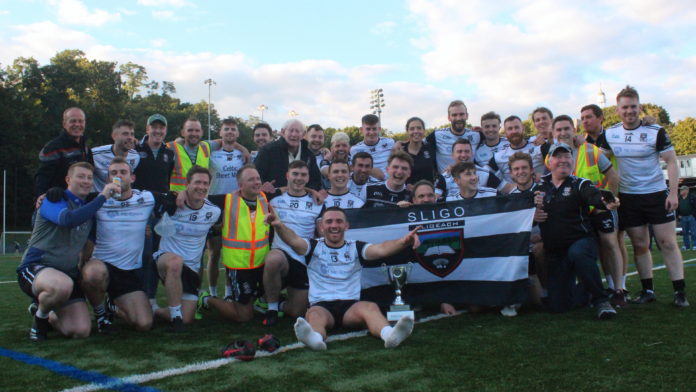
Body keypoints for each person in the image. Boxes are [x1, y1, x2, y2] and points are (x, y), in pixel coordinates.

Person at [265, 206, 419, 351]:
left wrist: (403, 241)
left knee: (370, 307)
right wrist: (278, 226)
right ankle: (316, 339)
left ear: (346, 226)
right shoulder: (313, 246)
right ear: (321, 227)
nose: (334, 225)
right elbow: (293, 239)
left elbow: (382, 249)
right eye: (329, 221)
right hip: (322, 305)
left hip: (350, 307)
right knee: (313, 315)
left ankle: (389, 335)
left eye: (339, 221)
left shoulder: (356, 247)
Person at [595, 85, 688, 307]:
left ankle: (680, 292)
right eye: (625, 107)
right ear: (616, 110)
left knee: (667, 243)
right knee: (639, 245)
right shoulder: (610, 134)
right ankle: (648, 291)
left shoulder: (656, 131)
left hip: (657, 195)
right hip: (629, 198)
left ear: (640, 107)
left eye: (633, 106)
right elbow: (600, 161)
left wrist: (673, 192)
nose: (629, 111)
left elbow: (672, 162)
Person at [17, 162, 119, 341]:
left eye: (89, 178)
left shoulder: (89, 207)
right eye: (80, 176)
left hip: (67, 276)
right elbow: (68, 219)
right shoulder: (53, 199)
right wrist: (103, 197)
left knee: (80, 331)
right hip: (37, 267)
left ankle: (48, 313)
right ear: (67, 179)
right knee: (61, 285)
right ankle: (40, 320)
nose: (86, 181)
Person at [81, 158, 176, 333]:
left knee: (144, 324)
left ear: (132, 178)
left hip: (128, 272)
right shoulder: (97, 199)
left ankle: (112, 306)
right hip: (102, 264)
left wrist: (178, 195)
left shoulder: (147, 198)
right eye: (114, 173)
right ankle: (100, 315)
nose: (119, 176)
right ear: (108, 179)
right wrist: (47, 194)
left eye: (123, 172)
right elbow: (70, 197)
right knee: (93, 274)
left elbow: (172, 196)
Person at [534, 143, 618, 319]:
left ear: (572, 161)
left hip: (582, 243)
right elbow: (521, 211)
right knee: (559, 307)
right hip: (556, 253)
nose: (563, 161)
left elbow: (594, 196)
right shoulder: (539, 187)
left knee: (578, 253)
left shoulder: (580, 184)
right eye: (558, 157)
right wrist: (532, 214)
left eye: (567, 157)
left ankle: (602, 300)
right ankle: (584, 291)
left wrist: (606, 202)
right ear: (549, 162)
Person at [550, 115, 626, 307]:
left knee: (610, 243)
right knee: (587, 250)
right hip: (576, 215)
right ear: (553, 133)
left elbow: (613, 177)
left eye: (566, 128)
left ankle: (618, 290)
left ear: (574, 130)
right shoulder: (551, 155)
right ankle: (589, 291)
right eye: (558, 130)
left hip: (598, 208)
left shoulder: (590, 150)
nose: (563, 133)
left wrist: (609, 204)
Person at [196, 165, 274, 322]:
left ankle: (254, 300)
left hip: (261, 263)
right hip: (240, 266)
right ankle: (205, 299)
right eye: (251, 179)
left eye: (258, 178)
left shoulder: (263, 199)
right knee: (244, 317)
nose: (257, 182)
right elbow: (198, 198)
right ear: (240, 185)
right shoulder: (227, 200)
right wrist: (181, 193)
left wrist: (314, 192)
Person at [152, 166, 221, 332]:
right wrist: (176, 194)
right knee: (176, 262)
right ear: (187, 184)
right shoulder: (172, 203)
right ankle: (176, 318)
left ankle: (154, 310)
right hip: (166, 260)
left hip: (190, 269)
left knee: (188, 318)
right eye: (197, 182)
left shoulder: (214, 211)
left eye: (205, 183)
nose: (201, 187)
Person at [260, 161, 326, 326]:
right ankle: (272, 309)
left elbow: (321, 233)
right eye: (295, 174)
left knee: (297, 312)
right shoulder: (273, 200)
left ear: (308, 177)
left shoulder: (317, 203)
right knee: (273, 259)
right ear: (288, 176)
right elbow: (245, 194)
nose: (299, 178)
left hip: (303, 258)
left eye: (303, 175)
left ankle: (272, 301)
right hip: (281, 252)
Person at [580, 104, 630, 298]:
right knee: (602, 243)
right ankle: (610, 285)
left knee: (617, 241)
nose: (585, 121)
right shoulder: (581, 142)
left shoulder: (612, 137)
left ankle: (622, 287)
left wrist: (612, 199)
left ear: (600, 118)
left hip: (614, 197)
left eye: (589, 117)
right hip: (593, 201)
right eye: (582, 118)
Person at [132, 114, 176, 312]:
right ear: (147, 128)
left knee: (155, 256)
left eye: (162, 127)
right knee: (140, 256)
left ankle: (150, 297)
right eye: (154, 127)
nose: (158, 131)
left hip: (160, 211)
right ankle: (136, 297)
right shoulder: (135, 149)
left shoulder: (169, 153)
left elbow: (165, 181)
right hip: (139, 211)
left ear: (166, 130)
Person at [206, 118, 245, 300]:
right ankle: (213, 293)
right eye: (226, 129)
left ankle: (229, 293)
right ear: (220, 133)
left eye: (233, 129)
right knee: (214, 252)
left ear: (237, 134)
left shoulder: (243, 155)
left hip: (234, 203)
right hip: (214, 202)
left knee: (231, 251)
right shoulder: (211, 154)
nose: (230, 132)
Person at [35, 107, 94, 203]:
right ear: (64, 124)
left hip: (80, 201)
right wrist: (40, 195)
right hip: (57, 201)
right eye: (73, 121)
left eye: (80, 121)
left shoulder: (86, 149)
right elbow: (43, 176)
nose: (77, 124)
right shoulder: (54, 147)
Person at [508, 152, 544, 308]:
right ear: (511, 173)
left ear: (532, 171)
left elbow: (556, 220)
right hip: (520, 249)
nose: (520, 172)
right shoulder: (509, 198)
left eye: (524, 168)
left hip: (543, 244)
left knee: (540, 249)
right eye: (516, 169)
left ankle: (547, 289)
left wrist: (543, 236)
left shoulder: (544, 190)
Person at [255, 118, 322, 190]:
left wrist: (309, 192)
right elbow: (256, 174)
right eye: (291, 130)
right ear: (283, 132)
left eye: (297, 131)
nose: (294, 134)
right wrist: (263, 184)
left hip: (301, 198)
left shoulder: (309, 154)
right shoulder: (268, 150)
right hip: (273, 197)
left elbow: (316, 180)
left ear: (303, 134)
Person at [487, 116, 547, 182]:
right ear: (505, 133)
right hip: (513, 192)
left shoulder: (538, 146)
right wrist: (505, 187)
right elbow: (485, 175)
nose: (514, 131)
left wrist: (544, 175)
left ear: (523, 129)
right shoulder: (498, 157)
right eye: (510, 129)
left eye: (517, 127)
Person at [426, 100, 481, 173]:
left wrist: (485, 131)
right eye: (454, 115)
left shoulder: (476, 135)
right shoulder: (437, 135)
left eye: (461, 114)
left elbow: (496, 138)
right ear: (449, 118)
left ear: (466, 116)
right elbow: (418, 144)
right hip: (446, 182)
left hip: (469, 180)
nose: (458, 118)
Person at [440, 139, 505, 196]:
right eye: (459, 152)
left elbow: (508, 189)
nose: (463, 155)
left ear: (471, 154)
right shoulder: (445, 176)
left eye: (467, 151)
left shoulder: (484, 174)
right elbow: (434, 199)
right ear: (453, 155)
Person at [91, 120, 140, 192]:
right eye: (125, 134)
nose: (130, 137)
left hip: (122, 200)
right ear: (114, 136)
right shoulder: (95, 154)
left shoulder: (135, 156)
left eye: (132, 134)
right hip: (101, 199)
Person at [167, 118, 211, 192]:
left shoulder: (206, 146)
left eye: (197, 131)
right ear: (183, 132)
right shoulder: (170, 148)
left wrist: (238, 147)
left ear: (201, 132)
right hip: (177, 200)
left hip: (200, 200)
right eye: (190, 130)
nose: (194, 134)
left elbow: (224, 141)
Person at [350, 114, 393, 179]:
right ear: (362, 130)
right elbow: (352, 170)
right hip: (366, 186)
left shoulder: (390, 143)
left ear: (379, 129)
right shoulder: (355, 149)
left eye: (374, 129)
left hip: (387, 185)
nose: (371, 132)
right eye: (368, 129)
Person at [398, 117, 437, 186]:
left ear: (424, 130)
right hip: (406, 193)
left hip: (427, 193)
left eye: (419, 128)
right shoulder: (400, 150)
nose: (416, 131)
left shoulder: (431, 149)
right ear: (407, 131)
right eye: (412, 129)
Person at [677, 186, 696, 251]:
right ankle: (686, 246)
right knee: (685, 232)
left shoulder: (692, 197)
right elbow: (677, 207)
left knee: (693, 232)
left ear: (687, 191)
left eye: (682, 190)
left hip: (691, 217)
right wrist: (678, 215)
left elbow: (695, 207)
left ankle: (694, 245)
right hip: (683, 217)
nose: (681, 191)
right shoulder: (680, 198)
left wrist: (693, 215)